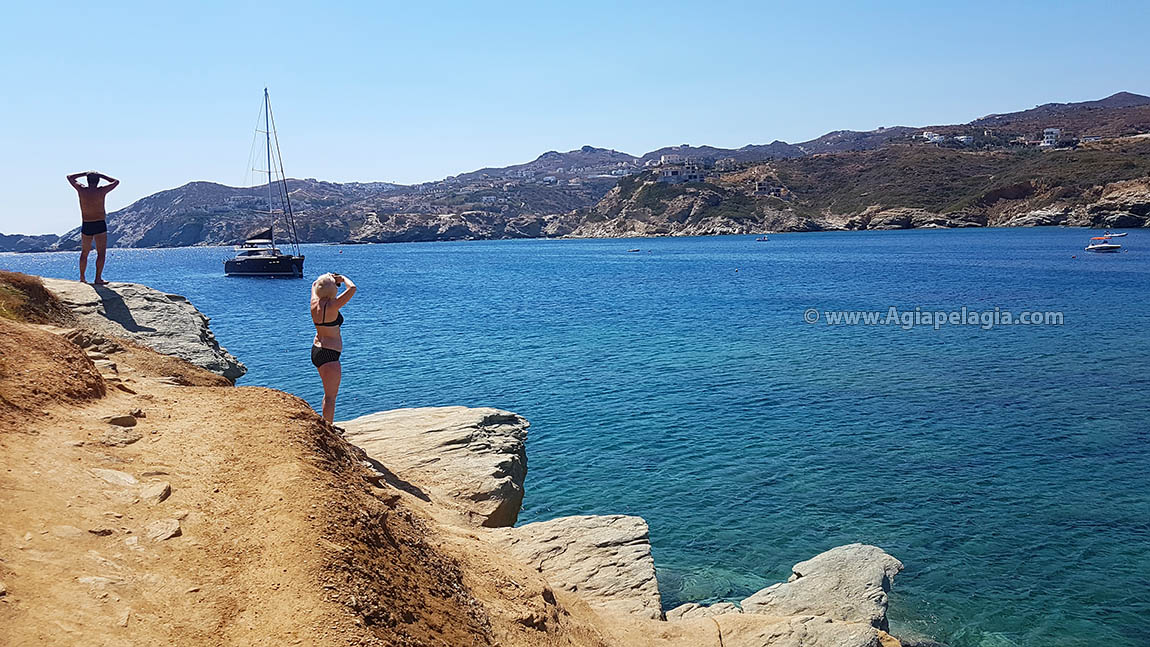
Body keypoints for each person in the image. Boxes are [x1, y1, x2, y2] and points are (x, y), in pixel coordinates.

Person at [310, 272, 356, 422]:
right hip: (330, 354)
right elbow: (352, 288)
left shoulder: (314, 302)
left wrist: (326, 278)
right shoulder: (333, 306)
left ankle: (326, 423)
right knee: (331, 397)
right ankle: (329, 429)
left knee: (327, 394)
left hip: (317, 350)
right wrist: (342, 278)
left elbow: (314, 285)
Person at [67, 171, 119, 284]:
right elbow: (116, 182)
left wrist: (85, 173)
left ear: (87, 180)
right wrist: (102, 175)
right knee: (101, 253)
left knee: (84, 252)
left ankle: (82, 278)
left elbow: (70, 177)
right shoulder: (101, 191)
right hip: (99, 223)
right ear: (98, 180)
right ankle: (98, 278)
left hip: (87, 223)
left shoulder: (82, 190)